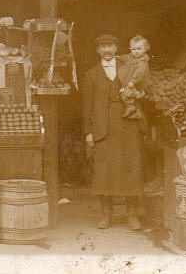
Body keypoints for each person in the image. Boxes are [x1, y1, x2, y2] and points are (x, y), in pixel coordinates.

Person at [82, 34, 145, 230]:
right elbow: (87, 106)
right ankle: (106, 214)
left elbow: (144, 89)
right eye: (103, 47)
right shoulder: (91, 75)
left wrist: (138, 93)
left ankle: (132, 215)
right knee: (104, 172)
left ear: (117, 48)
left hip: (128, 122)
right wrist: (88, 133)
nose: (107, 50)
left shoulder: (130, 68)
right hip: (103, 127)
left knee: (130, 169)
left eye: (110, 46)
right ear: (98, 51)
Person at [117, 35, 151, 119]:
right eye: (133, 49)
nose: (136, 52)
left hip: (136, 83)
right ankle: (134, 108)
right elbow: (125, 58)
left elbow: (139, 74)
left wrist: (132, 82)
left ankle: (132, 106)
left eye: (139, 49)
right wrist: (119, 57)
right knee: (124, 93)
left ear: (145, 49)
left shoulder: (142, 62)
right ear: (130, 49)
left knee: (125, 93)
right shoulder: (130, 57)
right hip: (129, 81)